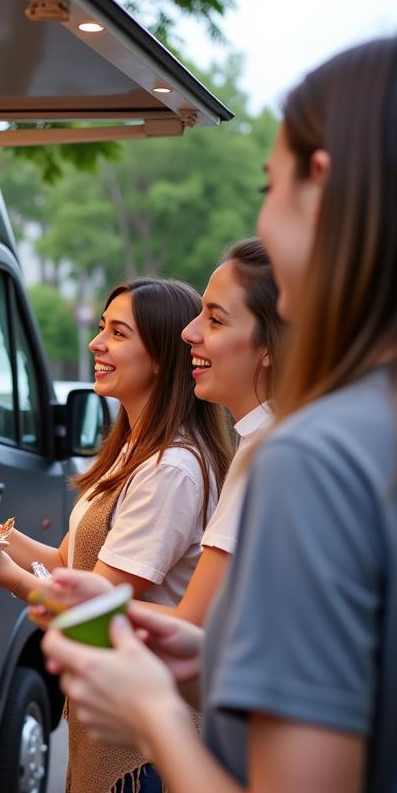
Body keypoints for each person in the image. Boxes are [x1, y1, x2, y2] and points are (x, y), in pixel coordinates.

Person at [43, 28, 397, 793]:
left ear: (325, 187)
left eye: (270, 186)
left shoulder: (311, 458)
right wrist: (205, 666)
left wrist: (155, 709)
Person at [0, 278, 232, 793]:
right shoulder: (134, 449)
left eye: (118, 333)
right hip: (119, 732)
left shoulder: (171, 467)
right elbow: (67, 567)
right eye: (103, 328)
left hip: (143, 753)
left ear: (163, 355)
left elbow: (99, 612)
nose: (95, 344)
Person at [45, 238, 284, 626]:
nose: (189, 334)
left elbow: (192, 623)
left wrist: (51, 598)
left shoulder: (242, 458)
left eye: (215, 319)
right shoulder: (259, 446)